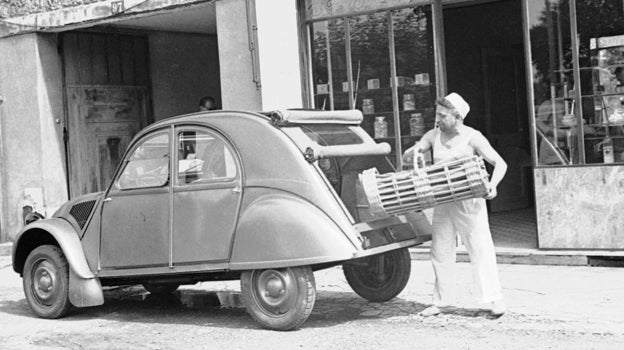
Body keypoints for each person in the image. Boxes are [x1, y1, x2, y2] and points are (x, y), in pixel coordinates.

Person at [403, 92, 508, 317]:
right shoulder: (433, 135)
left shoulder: (473, 137)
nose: (437, 119)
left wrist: (493, 185)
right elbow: (411, 155)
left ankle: (493, 299)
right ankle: (442, 302)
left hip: (470, 203)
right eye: (437, 115)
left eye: (442, 115)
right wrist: (414, 152)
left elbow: (500, 163)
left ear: (457, 116)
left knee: (480, 249)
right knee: (440, 250)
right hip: (443, 202)